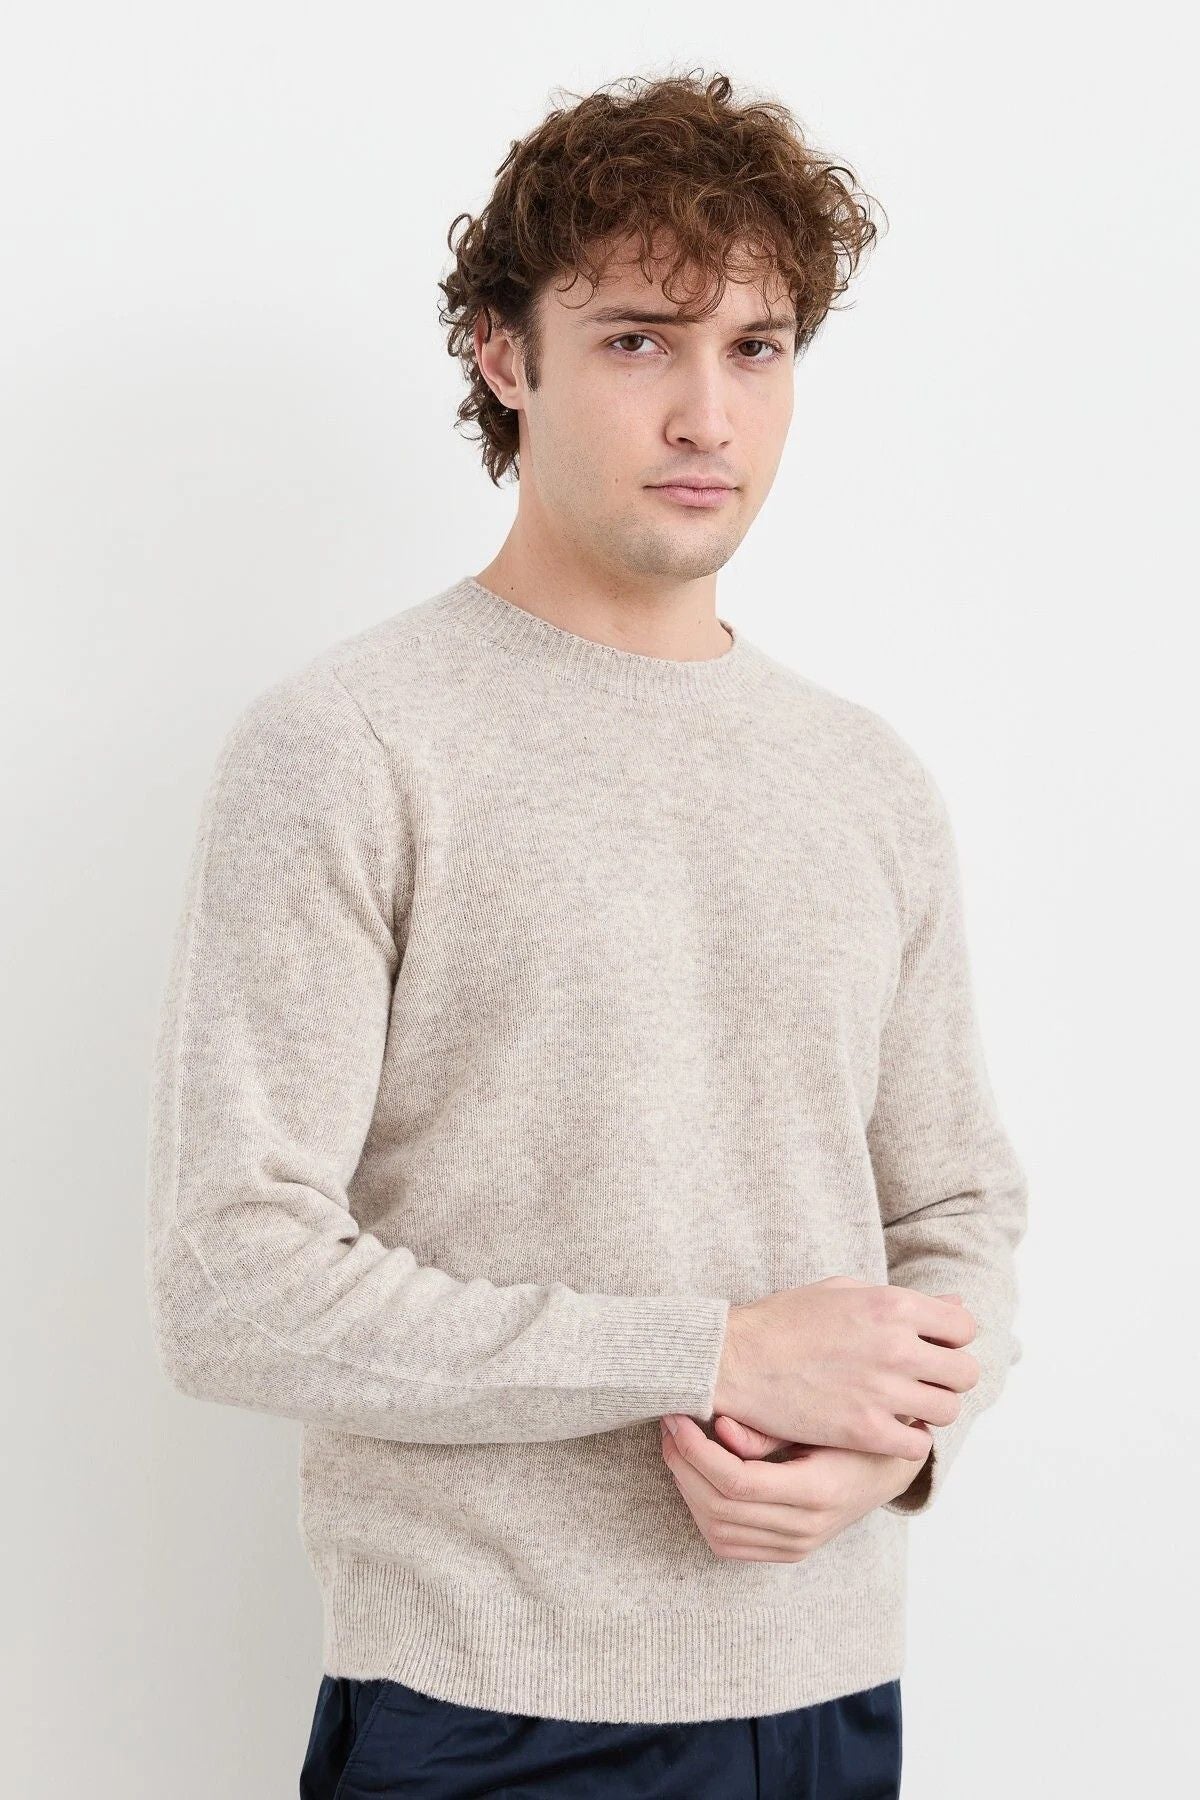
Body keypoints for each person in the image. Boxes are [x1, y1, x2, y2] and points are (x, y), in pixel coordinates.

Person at [144, 69, 1028, 1799]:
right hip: (483, 1709)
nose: (707, 413)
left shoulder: (866, 780)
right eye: (638, 340)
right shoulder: (351, 745)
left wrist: (896, 1447)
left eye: (756, 349)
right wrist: (713, 1351)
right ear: (504, 354)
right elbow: (232, 1285)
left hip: (829, 1689)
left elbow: (957, 1214)